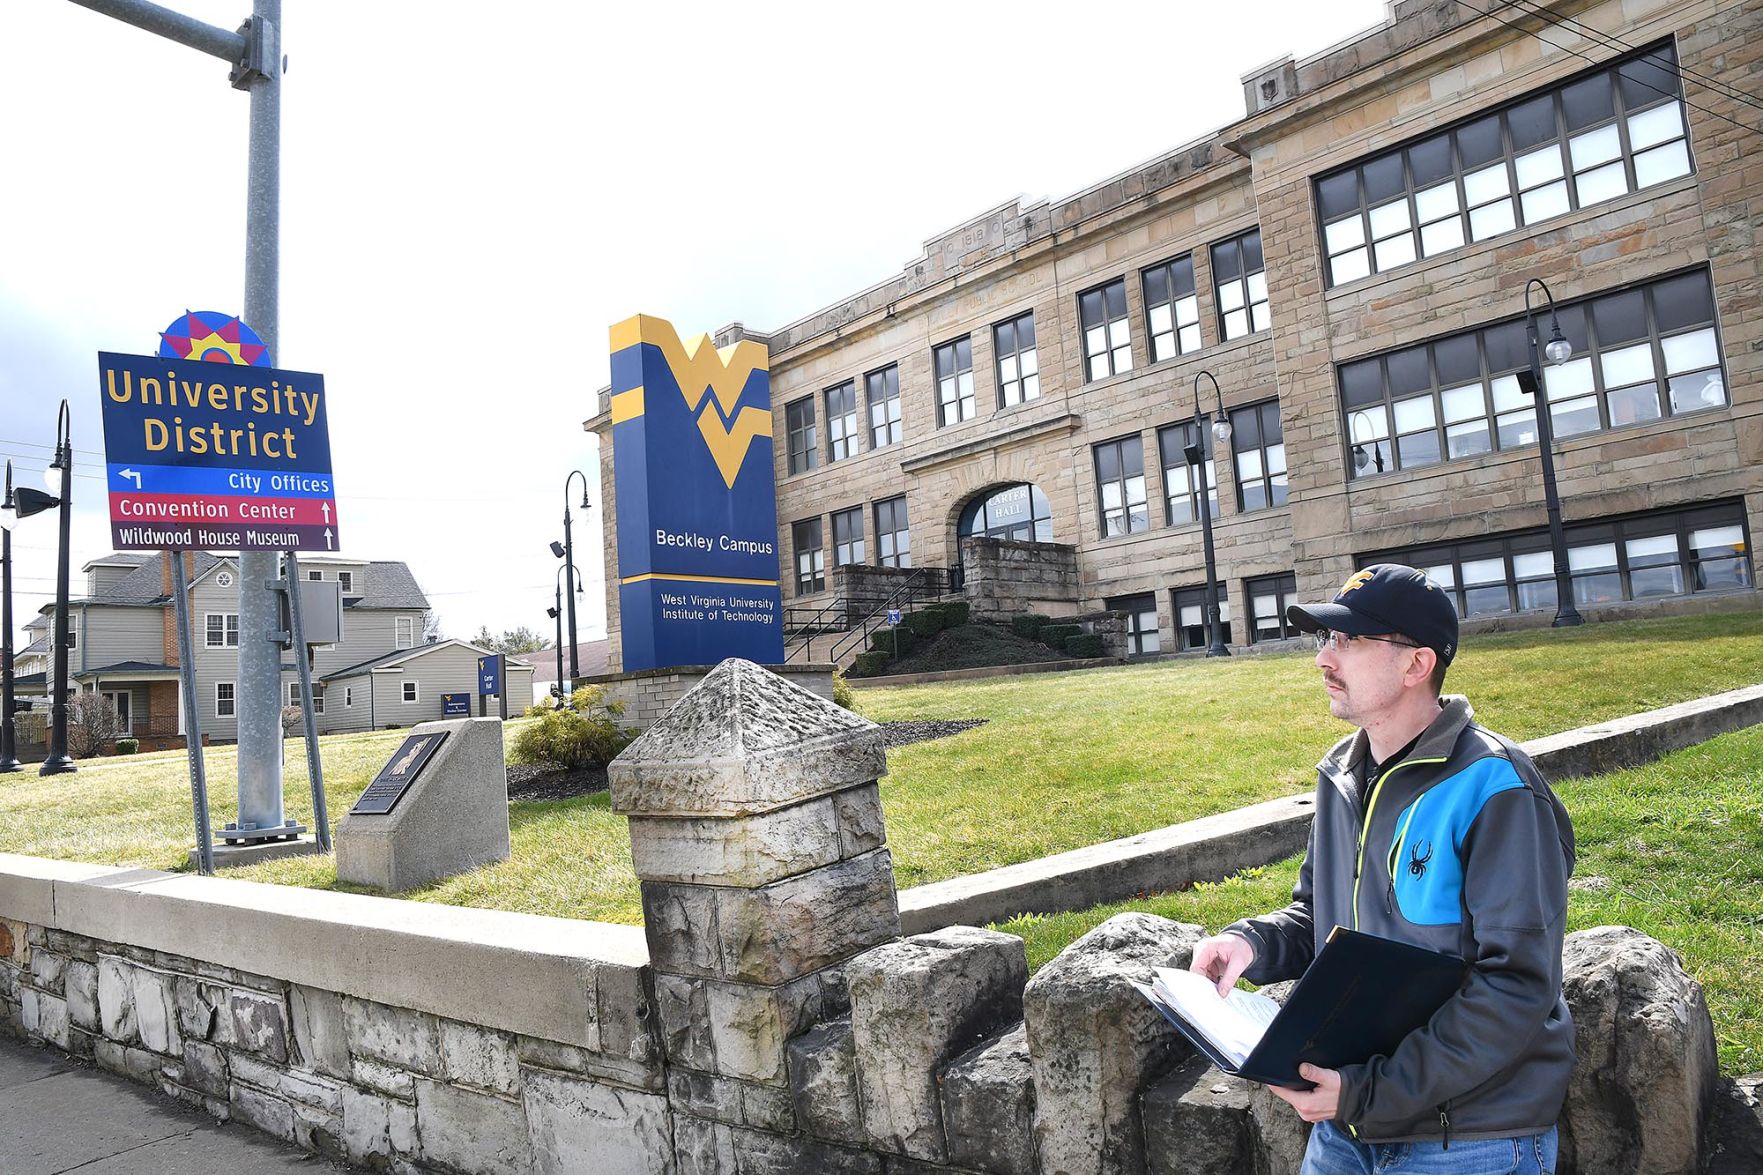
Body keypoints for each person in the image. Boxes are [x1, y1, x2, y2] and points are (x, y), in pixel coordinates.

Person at [1189, 564, 1576, 1174]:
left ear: (1416, 664)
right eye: (1326, 640)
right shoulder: (1342, 773)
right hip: (1346, 1127)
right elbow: (1317, 914)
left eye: (1350, 641)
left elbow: (1517, 985)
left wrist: (1372, 1089)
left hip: (1468, 1138)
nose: (1324, 659)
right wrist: (1250, 944)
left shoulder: (1497, 788)